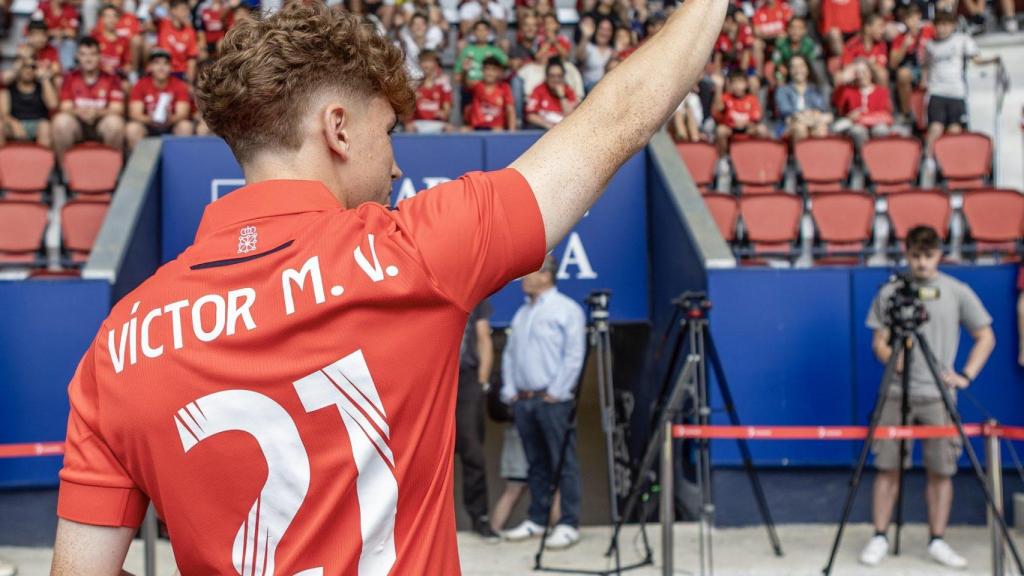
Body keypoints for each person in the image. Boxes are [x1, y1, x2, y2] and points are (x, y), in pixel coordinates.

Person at [48, 0, 727, 573]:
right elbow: (619, 116)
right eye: (389, 131)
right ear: (338, 129)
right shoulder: (412, 253)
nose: (397, 165)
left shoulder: (117, 343)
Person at [860, 225, 995, 570]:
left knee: (941, 470)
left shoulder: (956, 291)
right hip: (895, 393)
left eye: (928, 255)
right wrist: (891, 356)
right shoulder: (891, 291)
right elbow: (878, 342)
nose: (922, 263)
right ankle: (880, 536)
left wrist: (965, 376)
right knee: (887, 467)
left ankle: (937, 540)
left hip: (938, 395)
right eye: (916, 255)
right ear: (907, 254)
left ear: (940, 254)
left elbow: (986, 336)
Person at [500, 255, 586, 549]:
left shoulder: (566, 309)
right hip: (524, 400)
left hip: (553, 401)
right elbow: (510, 355)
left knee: (563, 462)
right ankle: (537, 519)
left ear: (546, 276)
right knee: (535, 463)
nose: (523, 279)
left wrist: (556, 392)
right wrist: (510, 390)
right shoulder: (522, 313)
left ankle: (568, 523)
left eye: (530, 273)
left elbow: (574, 355)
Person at [922, 11, 998, 157]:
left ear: (952, 26)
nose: (942, 29)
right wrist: (923, 81)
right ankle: (929, 161)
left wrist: (993, 60)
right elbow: (926, 65)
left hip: (956, 93)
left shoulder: (962, 40)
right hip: (936, 92)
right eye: (938, 25)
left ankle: (951, 162)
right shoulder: (930, 45)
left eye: (945, 25)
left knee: (954, 131)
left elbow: (976, 59)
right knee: (935, 129)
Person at [456, 299, 499, 541]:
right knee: (427, 453)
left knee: (472, 451)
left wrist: (482, 380)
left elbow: (483, 337)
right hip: (433, 378)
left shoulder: (474, 296)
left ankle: (480, 517)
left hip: (467, 379)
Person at [52, 38, 126, 160]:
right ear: (77, 56)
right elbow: (65, 107)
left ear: (99, 56)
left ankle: (112, 169)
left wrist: (97, 113)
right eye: (83, 54)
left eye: (92, 54)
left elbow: (117, 109)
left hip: (102, 123)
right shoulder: (70, 78)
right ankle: (65, 170)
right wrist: (80, 112)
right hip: (77, 124)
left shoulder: (111, 78)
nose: (88, 59)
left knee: (115, 124)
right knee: (60, 122)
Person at [126, 49, 194, 149]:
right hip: (147, 125)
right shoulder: (140, 84)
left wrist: (169, 120)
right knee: (132, 128)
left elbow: (183, 113)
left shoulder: (179, 85)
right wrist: (150, 119)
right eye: (156, 63)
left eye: (165, 63)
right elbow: (134, 113)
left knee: (185, 126)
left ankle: (180, 158)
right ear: (150, 67)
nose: (161, 67)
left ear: (171, 68)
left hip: (171, 124)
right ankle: (141, 159)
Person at [833, 60, 903, 150]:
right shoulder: (849, 91)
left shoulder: (881, 91)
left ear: (870, 73)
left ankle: (879, 154)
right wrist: (849, 116)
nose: (861, 76)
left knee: (880, 129)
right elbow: (838, 105)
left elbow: (886, 112)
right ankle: (862, 155)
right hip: (857, 125)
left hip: (877, 123)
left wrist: (864, 115)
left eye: (864, 72)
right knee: (857, 131)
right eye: (858, 73)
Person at [1, 56, 58, 148]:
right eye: (25, 66)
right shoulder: (8, 89)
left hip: (38, 125)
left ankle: (43, 157)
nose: (28, 70)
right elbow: (4, 114)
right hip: (15, 124)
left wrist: (44, 79)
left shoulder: (42, 86)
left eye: (32, 67)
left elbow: (53, 105)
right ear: (19, 69)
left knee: (45, 126)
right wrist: (14, 124)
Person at [889, 5, 934, 120]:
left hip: (931, 68)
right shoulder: (900, 38)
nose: (911, 21)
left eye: (914, 17)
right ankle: (907, 114)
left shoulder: (929, 31)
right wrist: (904, 46)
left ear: (919, 16)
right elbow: (893, 64)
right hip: (913, 69)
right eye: (908, 18)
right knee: (902, 74)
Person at [775, 54, 831, 141]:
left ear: (807, 68)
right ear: (789, 70)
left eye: (801, 66)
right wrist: (804, 117)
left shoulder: (815, 89)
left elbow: (822, 110)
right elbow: (786, 112)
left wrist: (812, 118)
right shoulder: (782, 90)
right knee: (800, 128)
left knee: (821, 128)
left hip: (813, 121)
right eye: (794, 67)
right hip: (790, 125)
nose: (798, 70)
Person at [713, 70, 768, 156]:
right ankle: (723, 157)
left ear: (746, 84)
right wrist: (718, 89)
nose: (737, 86)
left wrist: (746, 123)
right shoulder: (726, 97)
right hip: (731, 130)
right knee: (720, 130)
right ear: (730, 85)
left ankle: (759, 155)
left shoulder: (752, 99)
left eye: (740, 82)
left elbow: (757, 117)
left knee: (762, 130)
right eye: (734, 83)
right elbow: (718, 110)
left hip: (747, 130)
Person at [464, 56, 516, 131]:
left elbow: (510, 110)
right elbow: (466, 83)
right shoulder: (477, 86)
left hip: (496, 129)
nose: (490, 73)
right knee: (463, 130)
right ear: (482, 71)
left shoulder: (504, 88)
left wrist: (512, 131)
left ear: (498, 72)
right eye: (487, 69)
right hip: (477, 128)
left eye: (493, 70)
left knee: (498, 131)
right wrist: (465, 71)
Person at [524, 59, 577, 130]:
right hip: (544, 130)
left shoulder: (569, 91)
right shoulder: (538, 90)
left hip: (566, 130)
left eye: (559, 76)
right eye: (552, 76)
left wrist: (562, 96)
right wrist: (548, 125)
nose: (556, 79)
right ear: (546, 77)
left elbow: (571, 118)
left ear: (563, 77)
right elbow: (530, 116)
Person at [409, 50, 453, 133]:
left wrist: (444, 113)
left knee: (449, 128)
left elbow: (447, 110)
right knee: (409, 127)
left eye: (429, 61)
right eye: (423, 61)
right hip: (418, 123)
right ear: (419, 64)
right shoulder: (414, 84)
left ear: (435, 63)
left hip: (437, 123)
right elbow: (407, 112)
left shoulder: (443, 83)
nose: (426, 65)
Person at [454, 20, 507, 88]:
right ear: (474, 32)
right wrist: (465, 73)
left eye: (484, 30)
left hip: (490, 88)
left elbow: (505, 70)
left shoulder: (495, 51)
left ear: (488, 32)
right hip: (469, 88)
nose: (481, 33)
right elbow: (456, 77)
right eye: (478, 30)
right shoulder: (466, 51)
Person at [156, 0, 199, 83]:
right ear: (173, 11)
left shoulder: (190, 31)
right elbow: (151, 11)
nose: (187, 13)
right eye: (183, 9)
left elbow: (192, 58)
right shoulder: (163, 24)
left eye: (187, 10)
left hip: (180, 73)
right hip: (163, 71)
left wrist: (189, 80)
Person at [575, 16, 616, 91]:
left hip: (609, 87)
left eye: (608, 30)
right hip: (589, 88)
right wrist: (585, 36)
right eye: (601, 28)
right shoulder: (589, 47)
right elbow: (579, 57)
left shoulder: (613, 50)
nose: (604, 32)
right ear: (596, 29)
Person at [93, 4, 133, 78]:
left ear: (118, 19)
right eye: (108, 16)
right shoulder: (95, 38)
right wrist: (103, 68)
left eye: (114, 16)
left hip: (117, 78)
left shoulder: (124, 40)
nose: (111, 19)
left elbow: (127, 63)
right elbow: (89, 61)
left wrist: (124, 69)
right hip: (99, 77)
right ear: (102, 19)